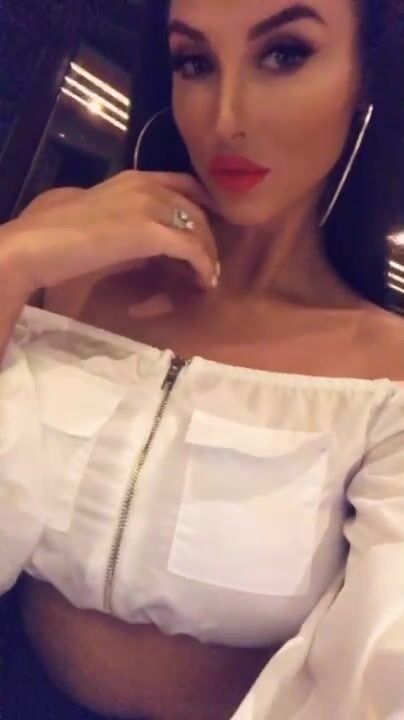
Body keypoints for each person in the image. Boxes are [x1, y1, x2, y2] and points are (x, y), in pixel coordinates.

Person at [0, 0, 404, 718]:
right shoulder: (66, 255)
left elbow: (378, 676)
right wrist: (11, 261)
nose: (226, 118)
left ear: (364, 77)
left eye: (284, 54)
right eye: (195, 62)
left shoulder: (383, 369)